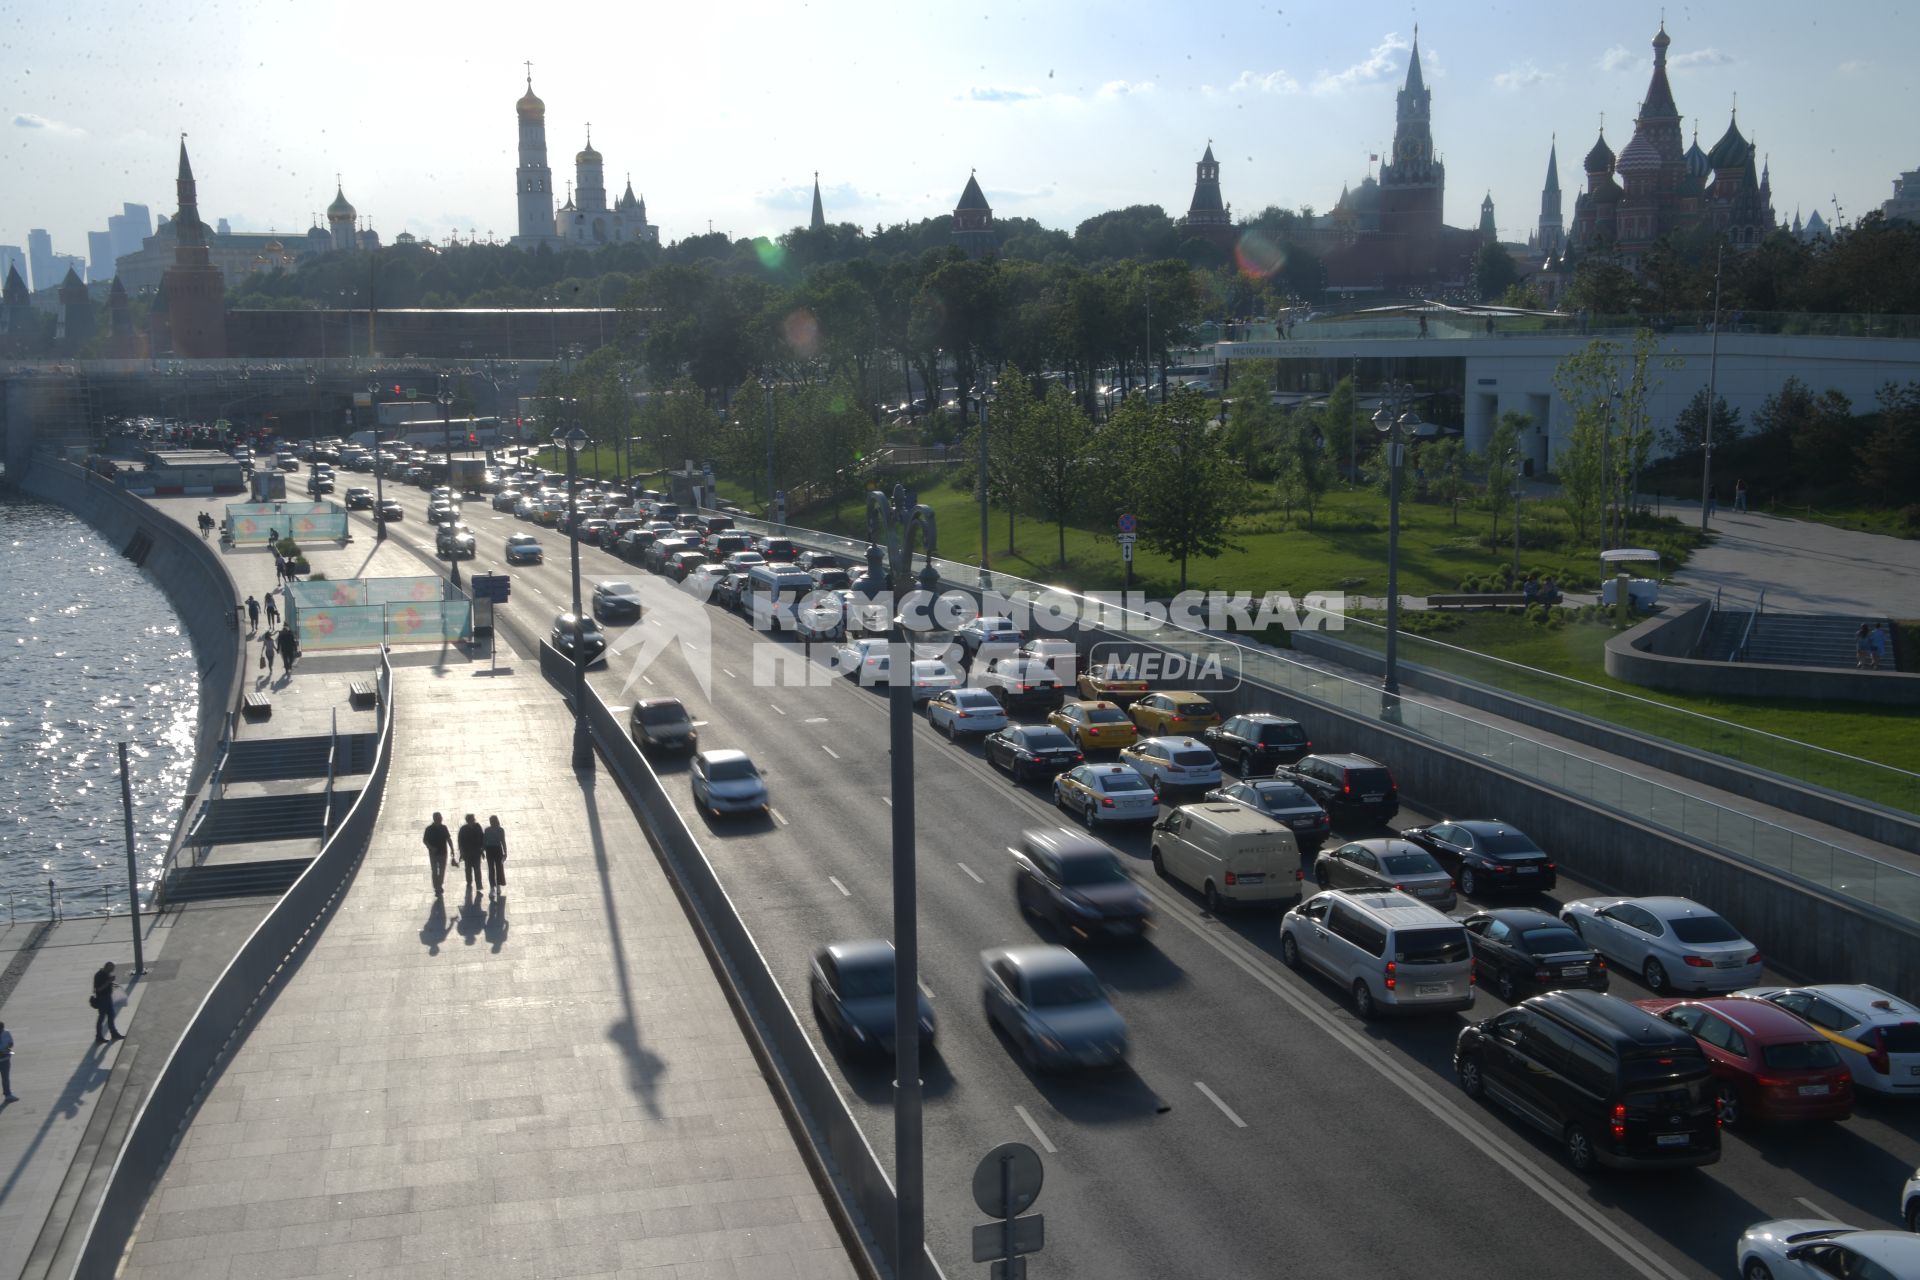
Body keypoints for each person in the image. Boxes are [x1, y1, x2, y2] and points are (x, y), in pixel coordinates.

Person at [92, 961, 124, 1043]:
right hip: (102, 999)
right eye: (111, 969)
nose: (111, 971)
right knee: (101, 1018)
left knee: (111, 1015)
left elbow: (106, 983)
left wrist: (112, 983)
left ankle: (114, 1033)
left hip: (108, 998)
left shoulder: (106, 973)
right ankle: (99, 1037)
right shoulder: (99, 975)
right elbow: (98, 989)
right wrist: (109, 982)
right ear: (107, 967)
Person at [422, 812, 453, 894]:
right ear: (435, 819)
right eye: (439, 818)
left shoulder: (444, 828)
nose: (441, 819)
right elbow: (425, 840)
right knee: (435, 871)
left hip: (443, 852)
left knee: (442, 870)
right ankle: (437, 887)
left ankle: (439, 885)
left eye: (440, 817)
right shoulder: (429, 829)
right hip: (433, 854)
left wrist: (452, 849)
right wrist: (431, 848)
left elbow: (448, 839)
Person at [456, 814, 486, 894]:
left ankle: (479, 885)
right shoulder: (463, 829)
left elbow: (482, 837)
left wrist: (482, 848)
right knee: (468, 868)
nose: (474, 820)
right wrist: (461, 852)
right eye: (473, 819)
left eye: (474, 819)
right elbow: (460, 841)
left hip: (476, 852)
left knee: (477, 869)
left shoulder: (477, 826)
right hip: (467, 853)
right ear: (468, 820)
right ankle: (469, 882)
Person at [482, 815, 508, 894]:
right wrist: (482, 850)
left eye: (492, 821)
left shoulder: (500, 830)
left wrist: (505, 852)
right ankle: (493, 887)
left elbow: (503, 841)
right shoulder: (487, 830)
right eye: (491, 821)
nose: (491, 823)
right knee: (492, 868)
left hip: (496, 849)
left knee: (497, 868)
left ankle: (497, 886)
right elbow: (484, 841)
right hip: (491, 850)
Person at [0, 1021, 15, 1101]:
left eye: (1, 1029)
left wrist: (9, 1046)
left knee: (5, 1078)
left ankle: (8, 1095)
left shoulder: (6, 1032)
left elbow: (11, 1042)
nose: (1, 1031)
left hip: (5, 1059)